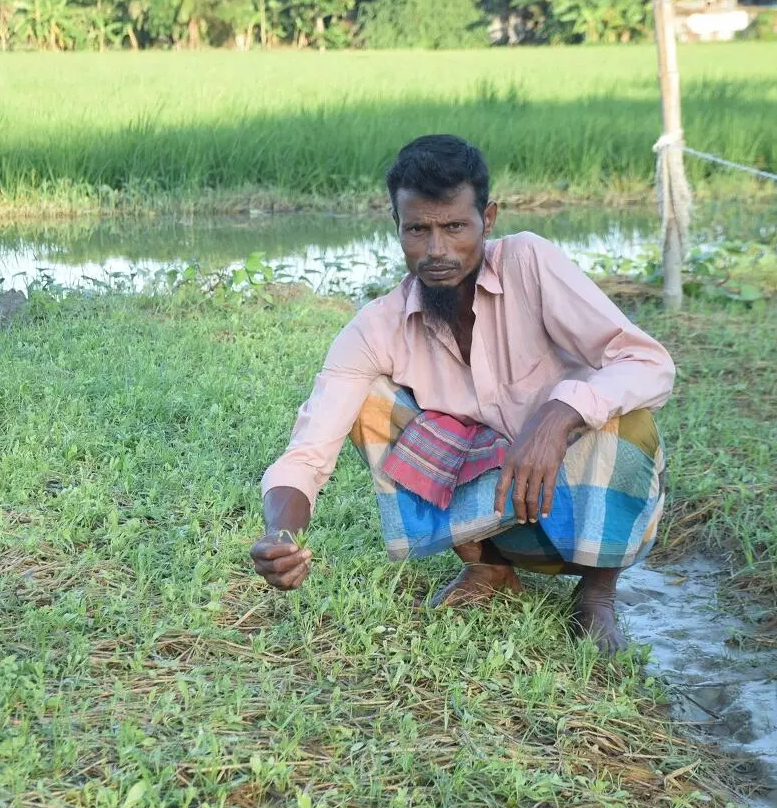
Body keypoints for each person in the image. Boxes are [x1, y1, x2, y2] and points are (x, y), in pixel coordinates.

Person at [249, 134, 674, 654]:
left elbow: (649, 363)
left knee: (632, 422)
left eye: (454, 226)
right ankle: (487, 567)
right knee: (370, 404)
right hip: (489, 501)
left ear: (487, 219)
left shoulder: (530, 264)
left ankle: (596, 592)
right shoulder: (377, 327)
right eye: (418, 230)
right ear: (397, 228)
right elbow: (308, 453)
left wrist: (558, 415)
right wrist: (281, 537)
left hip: (580, 491)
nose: (437, 251)